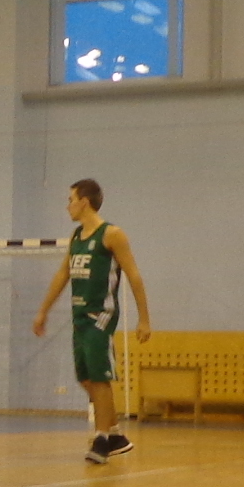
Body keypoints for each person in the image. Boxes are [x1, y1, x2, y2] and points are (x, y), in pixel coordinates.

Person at [33, 177, 153, 465]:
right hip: (79, 315)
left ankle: (101, 439)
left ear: (84, 202)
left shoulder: (112, 234)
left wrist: (144, 319)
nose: (68, 206)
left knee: (99, 378)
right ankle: (116, 435)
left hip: (101, 314)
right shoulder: (77, 236)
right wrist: (43, 310)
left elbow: (134, 276)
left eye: (70, 200)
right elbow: (63, 275)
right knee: (85, 377)